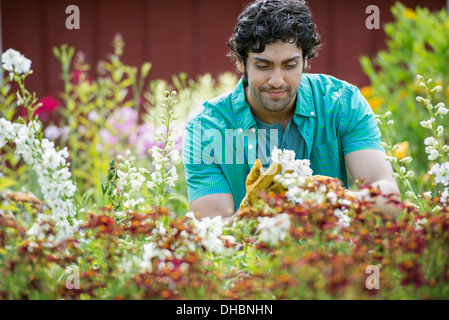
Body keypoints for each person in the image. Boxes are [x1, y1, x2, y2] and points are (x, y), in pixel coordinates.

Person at [182, 0, 400, 220]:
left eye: (289, 65)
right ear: (241, 63)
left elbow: (389, 199)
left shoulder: (342, 104)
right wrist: (257, 213)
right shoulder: (207, 129)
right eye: (263, 66)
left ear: (305, 60)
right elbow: (213, 233)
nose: (277, 81)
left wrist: (328, 198)